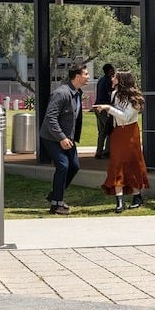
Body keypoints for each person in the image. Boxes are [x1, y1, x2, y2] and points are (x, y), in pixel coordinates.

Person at [93, 71, 150, 212]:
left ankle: (137, 196)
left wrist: (108, 108)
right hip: (117, 132)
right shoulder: (114, 94)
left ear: (121, 80)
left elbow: (126, 117)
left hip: (130, 133)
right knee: (116, 164)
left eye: (115, 77)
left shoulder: (134, 98)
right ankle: (119, 200)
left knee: (133, 163)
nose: (112, 79)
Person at [39, 63, 90, 215]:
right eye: (86, 74)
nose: (88, 77)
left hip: (68, 138)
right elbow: (50, 117)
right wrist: (61, 137)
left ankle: (55, 194)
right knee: (63, 166)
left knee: (74, 166)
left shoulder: (77, 92)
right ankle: (56, 204)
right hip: (52, 137)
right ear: (78, 76)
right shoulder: (61, 93)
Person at [93, 63, 115, 159]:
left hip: (97, 106)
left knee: (102, 131)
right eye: (113, 70)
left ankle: (99, 151)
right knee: (110, 129)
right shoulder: (108, 80)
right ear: (110, 71)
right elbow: (110, 94)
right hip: (104, 107)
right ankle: (107, 151)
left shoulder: (101, 80)